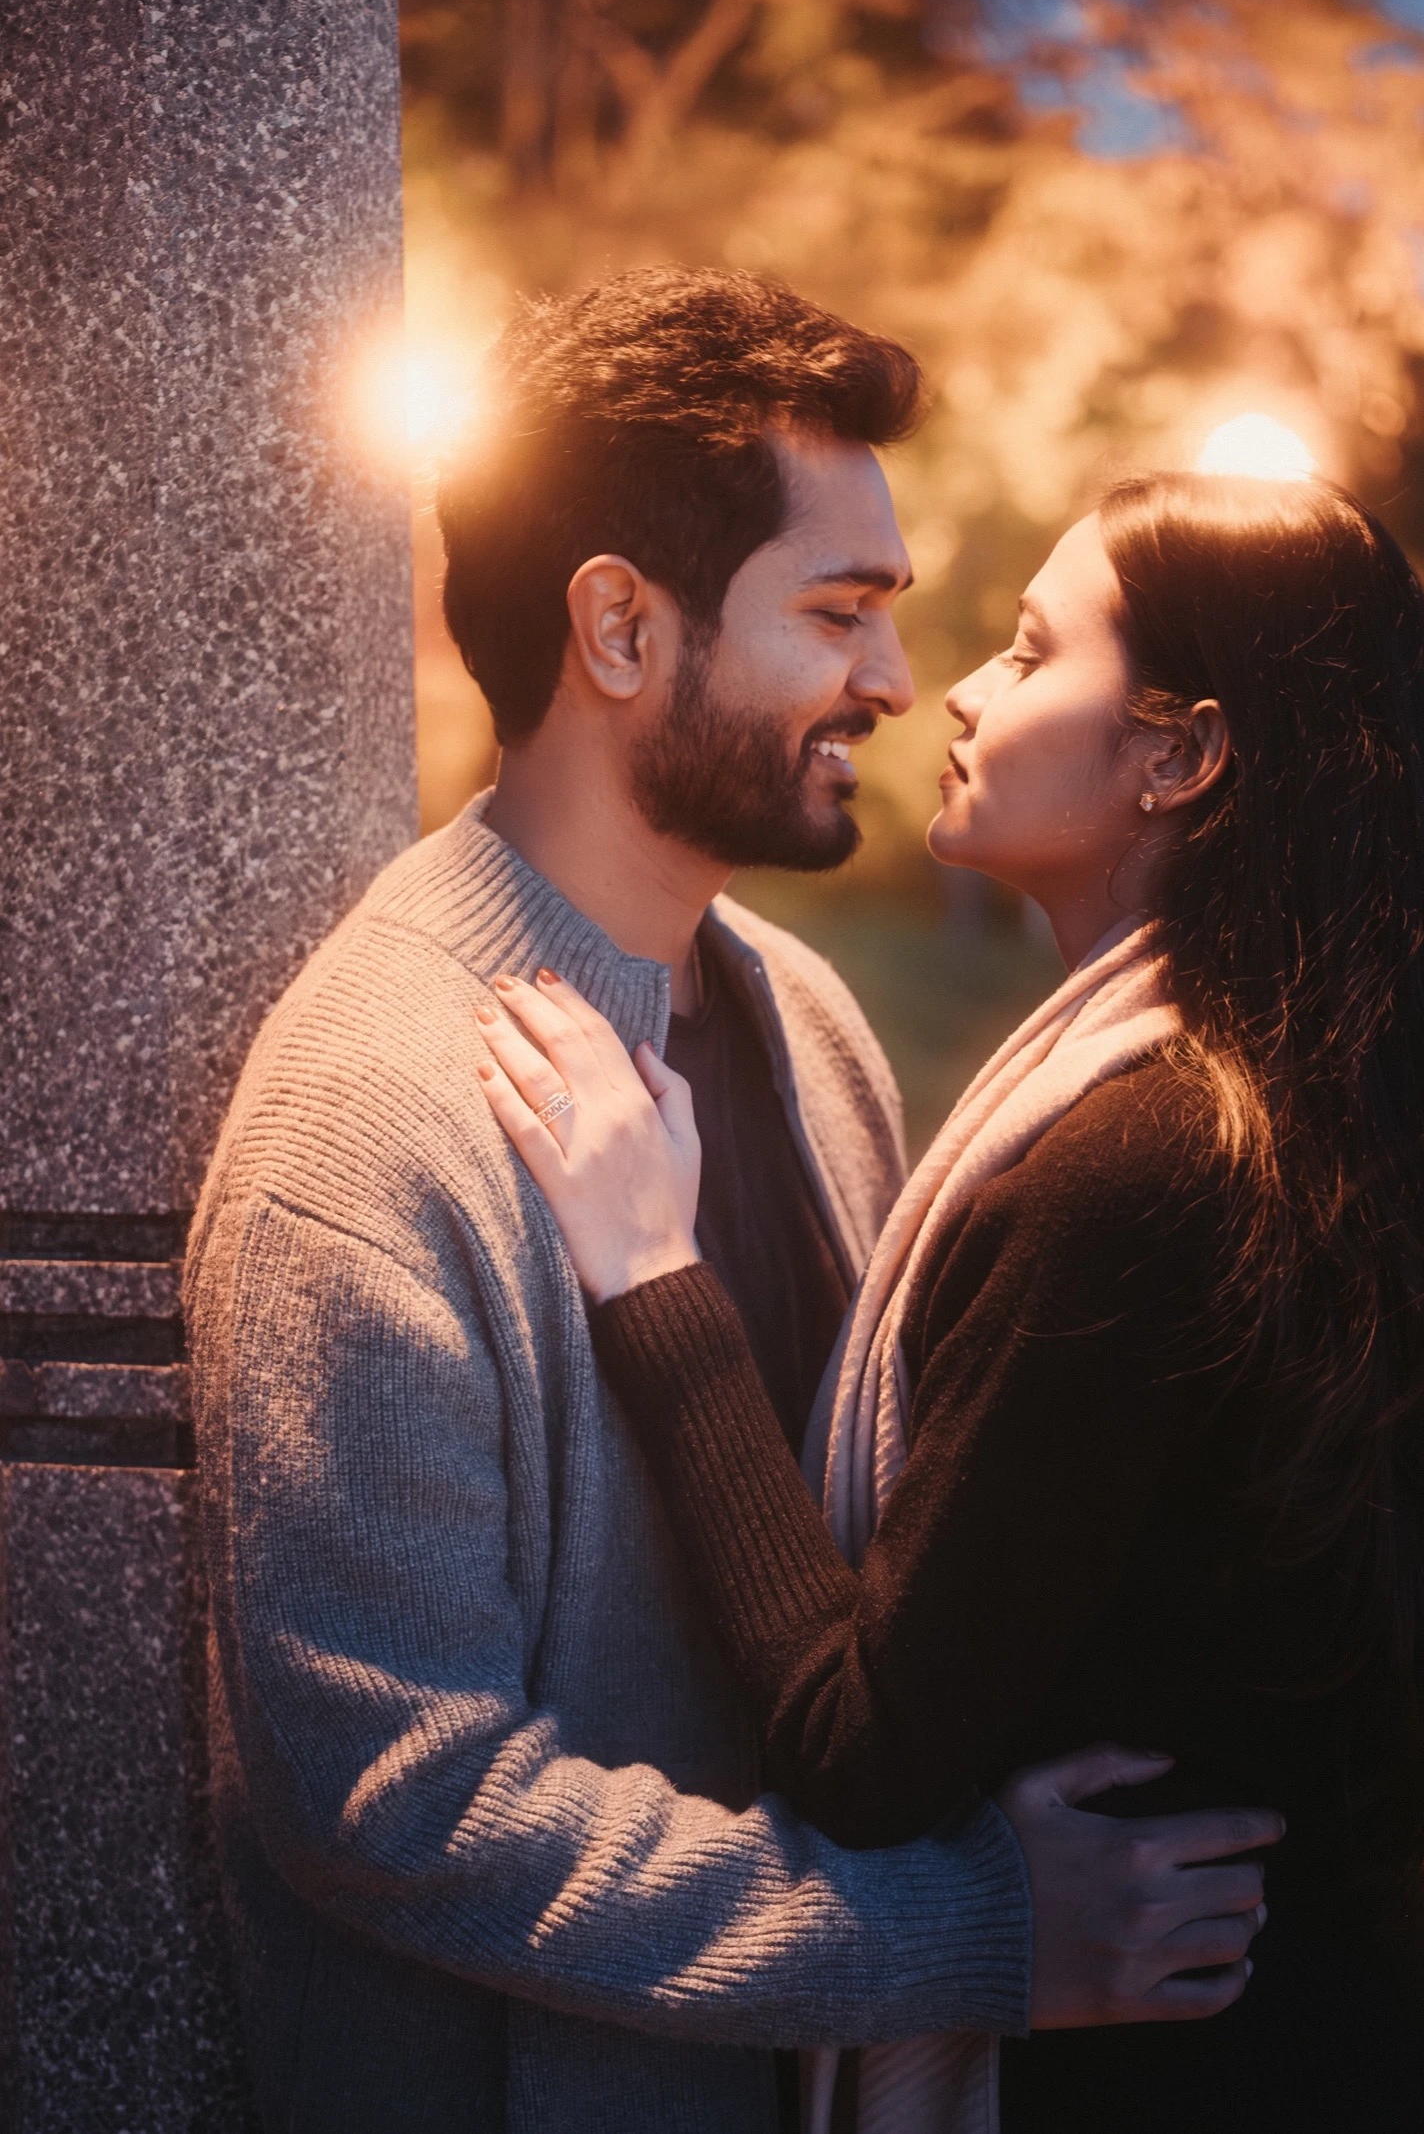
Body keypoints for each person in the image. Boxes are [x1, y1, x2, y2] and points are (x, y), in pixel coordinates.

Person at [185, 272, 1278, 2134]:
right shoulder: (367, 1119)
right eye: (838, 612)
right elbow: (397, 1793)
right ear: (618, 624)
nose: (890, 678)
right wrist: (955, 1926)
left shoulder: (807, 1021)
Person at [474, 470, 1424, 2132]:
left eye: (1028, 645)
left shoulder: (1136, 1175)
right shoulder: (1290, 1105)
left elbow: (864, 1746)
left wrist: (652, 1272)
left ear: (1176, 753)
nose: (954, 686)